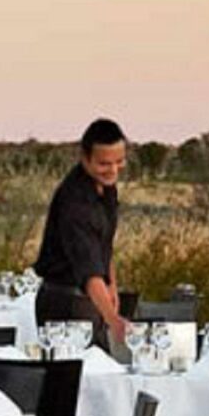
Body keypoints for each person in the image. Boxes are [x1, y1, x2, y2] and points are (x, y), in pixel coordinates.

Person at [35, 117, 127, 347]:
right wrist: (114, 321)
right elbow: (89, 272)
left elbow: (103, 245)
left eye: (119, 161)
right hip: (64, 302)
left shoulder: (106, 188)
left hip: (92, 298)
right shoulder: (74, 202)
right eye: (104, 164)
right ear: (85, 158)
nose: (113, 170)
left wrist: (112, 286)